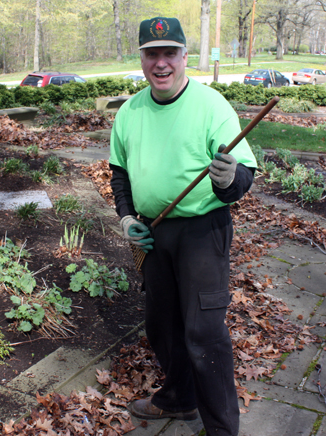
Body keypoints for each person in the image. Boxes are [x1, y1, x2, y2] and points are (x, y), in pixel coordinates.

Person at [109, 17, 257, 436]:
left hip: (201, 233)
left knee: (204, 333)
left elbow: (242, 173)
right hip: (154, 233)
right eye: (152, 54)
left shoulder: (211, 105)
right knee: (163, 325)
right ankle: (178, 400)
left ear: (184, 56)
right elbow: (118, 172)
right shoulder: (131, 111)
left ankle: (223, 430)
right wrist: (125, 217)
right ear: (141, 58)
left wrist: (229, 180)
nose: (161, 64)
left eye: (169, 53)